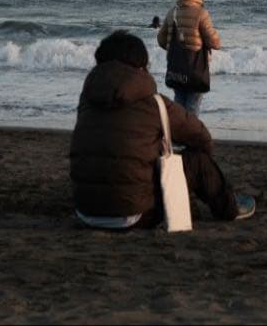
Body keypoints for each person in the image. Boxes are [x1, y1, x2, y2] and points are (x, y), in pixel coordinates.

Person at [69, 30, 255, 230]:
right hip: (135, 216)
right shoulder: (154, 104)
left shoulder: (86, 100)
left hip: (85, 211)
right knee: (199, 162)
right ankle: (230, 208)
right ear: (141, 67)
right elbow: (201, 137)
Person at [157, 0, 221, 116]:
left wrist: (175, 48)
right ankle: (189, 130)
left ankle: (177, 129)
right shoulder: (201, 13)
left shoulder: (172, 12)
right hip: (195, 69)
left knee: (179, 102)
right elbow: (215, 43)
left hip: (176, 68)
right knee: (192, 106)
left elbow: (161, 39)